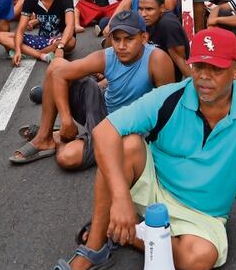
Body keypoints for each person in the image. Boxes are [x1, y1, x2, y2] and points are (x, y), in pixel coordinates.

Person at [46, 27, 236, 270]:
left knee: (199, 258)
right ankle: (95, 247)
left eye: (215, 69)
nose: (204, 77)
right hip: (154, 187)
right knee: (126, 145)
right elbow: (104, 131)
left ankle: (125, 231)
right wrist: (121, 198)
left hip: (202, 213)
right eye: (198, 66)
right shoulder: (171, 96)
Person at [11, 10, 174, 171]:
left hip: (125, 127)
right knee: (56, 65)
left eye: (129, 39)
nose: (122, 46)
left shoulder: (157, 59)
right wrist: (67, 119)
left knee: (67, 158)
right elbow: (59, 75)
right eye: (117, 40)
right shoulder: (108, 55)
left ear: (144, 38)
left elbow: (169, 109)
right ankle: (45, 137)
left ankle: (58, 138)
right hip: (101, 110)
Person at [8, 0, 77, 65]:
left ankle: (29, 53)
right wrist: (17, 49)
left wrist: (60, 46)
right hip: (42, 40)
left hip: (60, 39)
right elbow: (21, 29)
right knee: (2, 36)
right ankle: (40, 55)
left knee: (71, 42)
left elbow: (70, 26)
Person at [137, 0, 191, 80]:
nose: (143, 14)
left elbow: (182, 63)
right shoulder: (146, 20)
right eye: (140, 9)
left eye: (149, 9)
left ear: (162, 8)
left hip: (165, 82)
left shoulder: (168, 25)